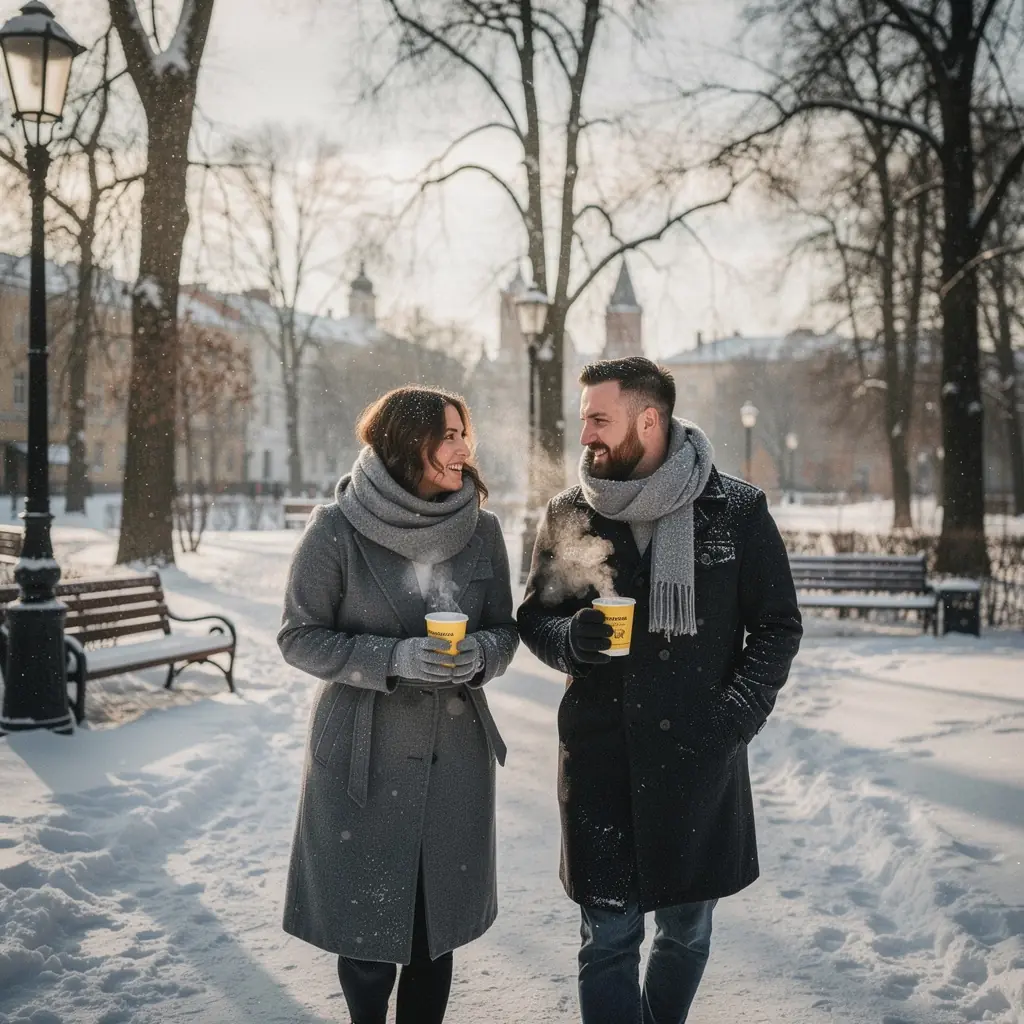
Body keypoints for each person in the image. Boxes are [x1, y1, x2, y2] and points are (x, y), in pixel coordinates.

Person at [517, 356, 802, 1024]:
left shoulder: (734, 509)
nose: (584, 432)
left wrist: (733, 719)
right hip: (600, 759)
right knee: (608, 939)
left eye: (599, 418)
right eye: (583, 417)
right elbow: (535, 615)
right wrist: (568, 640)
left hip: (698, 757)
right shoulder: (568, 512)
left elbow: (777, 626)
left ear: (650, 420)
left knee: (685, 932)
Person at [278, 385, 518, 1024]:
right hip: (363, 757)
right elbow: (298, 637)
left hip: (453, 756)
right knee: (366, 937)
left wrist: (482, 655)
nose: (461, 448)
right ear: (403, 442)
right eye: (447, 434)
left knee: (432, 933)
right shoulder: (336, 528)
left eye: (465, 432)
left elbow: (505, 629)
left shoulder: (482, 529)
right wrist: (391, 659)